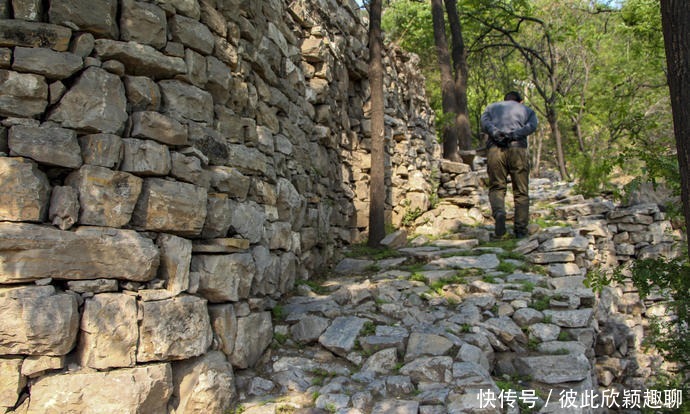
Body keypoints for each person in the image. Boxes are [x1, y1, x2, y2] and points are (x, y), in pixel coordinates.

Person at [480, 91, 538, 239]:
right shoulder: (527, 110)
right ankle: (520, 230)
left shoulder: (491, 108)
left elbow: (484, 123)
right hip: (518, 149)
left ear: (504, 100)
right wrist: (514, 134)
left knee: (497, 187)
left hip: (495, 149)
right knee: (521, 191)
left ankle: (499, 212)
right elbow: (532, 126)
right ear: (520, 101)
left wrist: (496, 133)